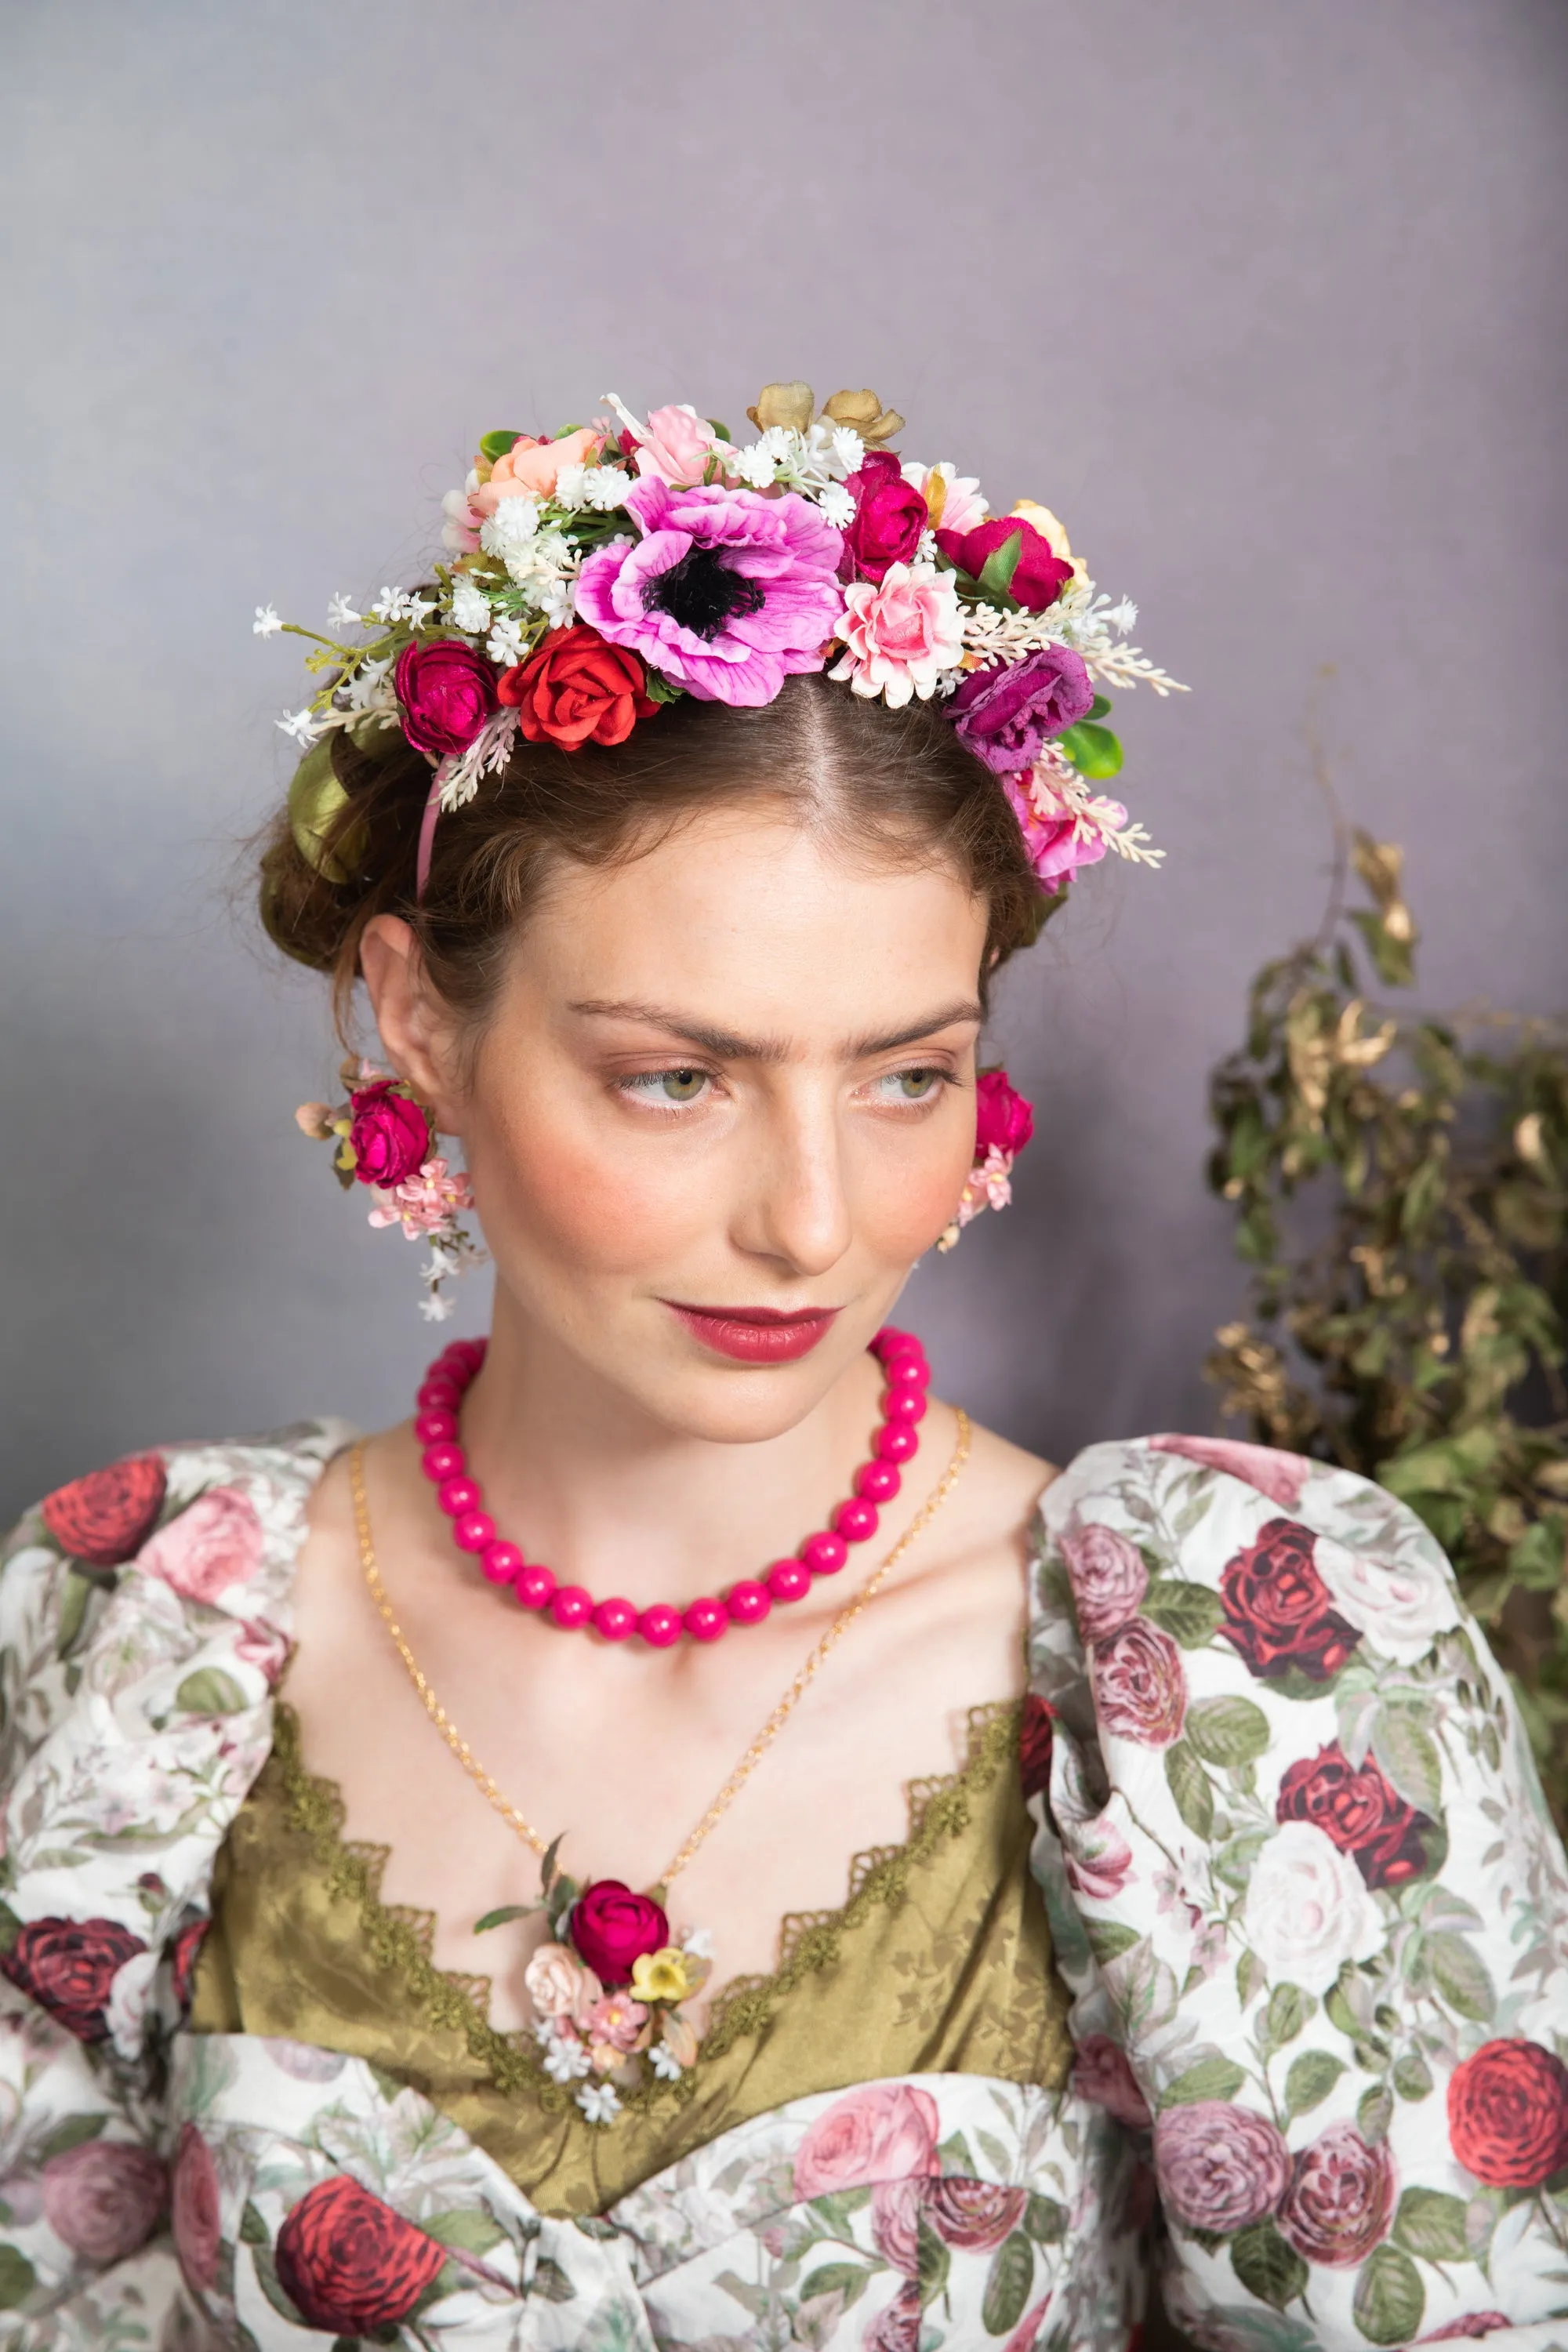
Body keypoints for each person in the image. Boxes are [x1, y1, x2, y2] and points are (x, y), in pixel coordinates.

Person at [2, 387, 1564, 2352]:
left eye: (907, 1074)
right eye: (677, 1078)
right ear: (414, 1016)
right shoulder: (144, 1638)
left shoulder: (1240, 1663)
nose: (817, 1224)